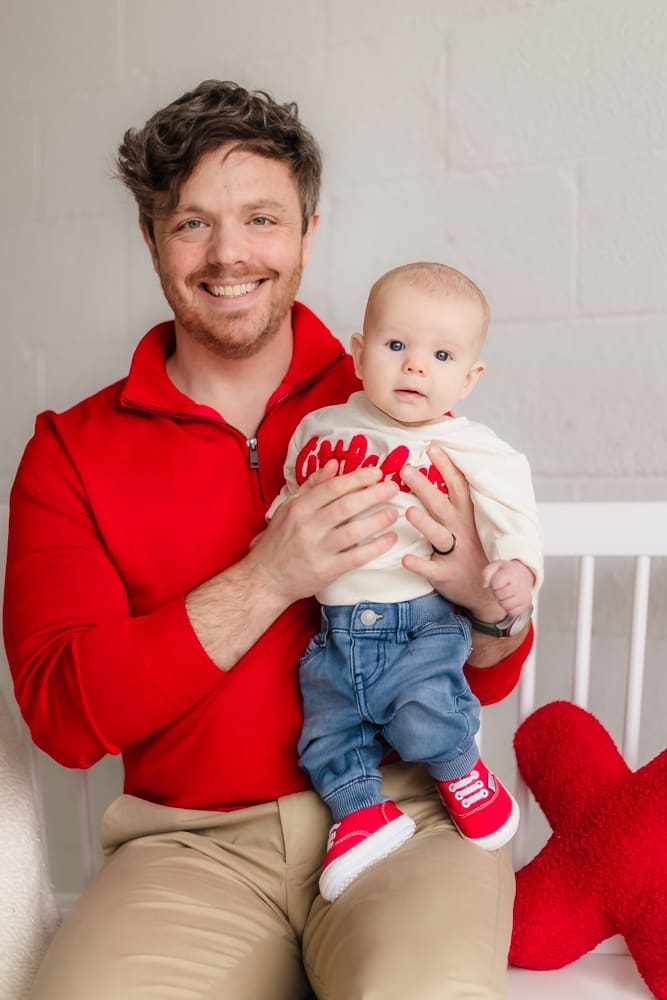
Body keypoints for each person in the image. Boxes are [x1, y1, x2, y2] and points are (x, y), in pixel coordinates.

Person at [3, 80, 534, 1000]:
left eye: (260, 218)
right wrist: (266, 578)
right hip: (189, 848)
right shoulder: (69, 452)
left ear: (308, 234)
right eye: (191, 223)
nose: (229, 255)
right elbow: (62, 718)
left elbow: (483, 672)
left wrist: (485, 599)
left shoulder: (406, 391)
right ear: (151, 239)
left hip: (411, 813)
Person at [268, 261, 541, 901]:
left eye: (441, 354)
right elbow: (290, 495)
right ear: (359, 355)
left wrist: (516, 571)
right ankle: (361, 816)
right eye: (396, 346)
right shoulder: (321, 429)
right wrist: (274, 529)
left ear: (469, 378)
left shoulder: (472, 448)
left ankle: (461, 771)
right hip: (334, 628)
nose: (415, 366)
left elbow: (514, 518)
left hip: (418, 620)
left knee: (423, 715)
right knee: (325, 734)